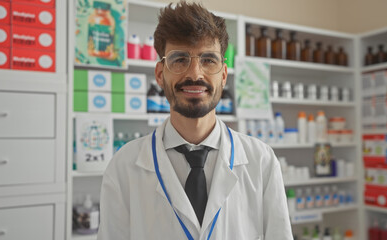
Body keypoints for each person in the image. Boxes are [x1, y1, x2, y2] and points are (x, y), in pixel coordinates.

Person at [97, 2, 292, 239]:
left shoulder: (261, 161)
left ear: (223, 75)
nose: (195, 74)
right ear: (160, 73)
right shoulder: (123, 167)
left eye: (208, 59)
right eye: (179, 59)